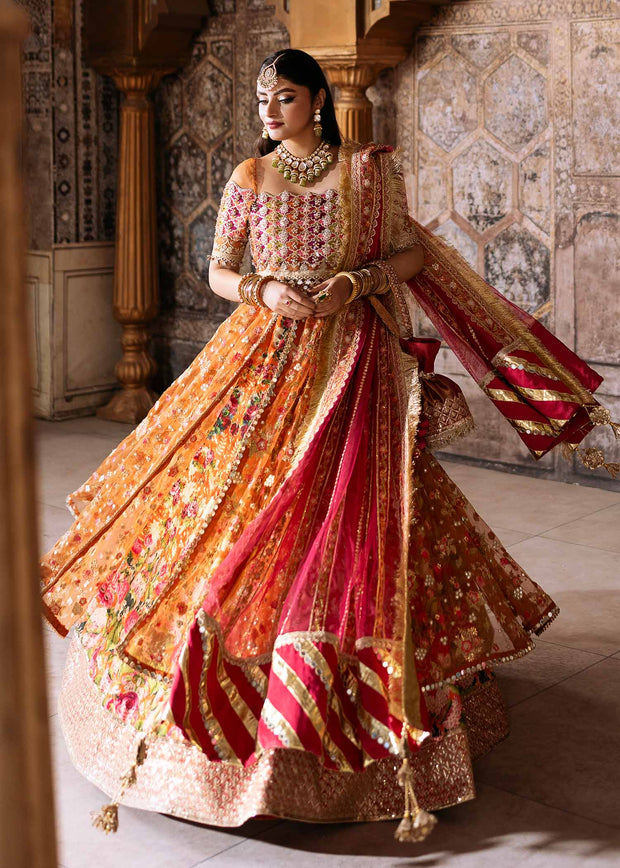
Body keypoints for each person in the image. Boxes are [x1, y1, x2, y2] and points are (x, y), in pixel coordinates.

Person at [40, 48, 617, 844]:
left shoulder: (367, 174)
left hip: (354, 360)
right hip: (264, 356)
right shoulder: (250, 175)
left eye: (283, 97)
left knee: (358, 516)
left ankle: (365, 703)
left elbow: (412, 254)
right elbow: (219, 270)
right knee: (225, 501)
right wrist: (263, 289)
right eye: (261, 99)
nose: (268, 111)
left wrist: (359, 281)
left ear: (317, 101)